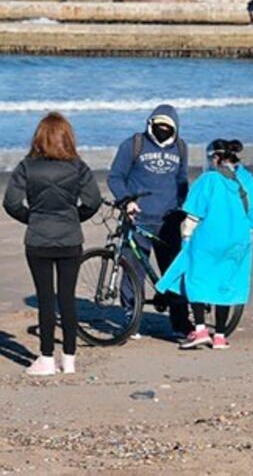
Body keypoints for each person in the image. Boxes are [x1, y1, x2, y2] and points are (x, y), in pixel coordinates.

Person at [3, 113, 102, 376]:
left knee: (46, 299)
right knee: (67, 299)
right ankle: (69, 359)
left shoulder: (27, 166)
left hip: (38, 239)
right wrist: (73, 217)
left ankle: (46, 357)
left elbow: (11, 203)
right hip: (70, 238)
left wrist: (32, 218)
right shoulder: (78, 166)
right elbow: (93, 201)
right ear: (68, 137)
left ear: (39, 137)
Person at [157, 139, 253, 350]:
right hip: (239, 240)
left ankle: (200, 330)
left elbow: (194, 213)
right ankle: (220, 336)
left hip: (208, 239)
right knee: (226, 284)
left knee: (197, 280)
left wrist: (186, 235)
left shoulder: (209, 180)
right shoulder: (248, 180)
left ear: (215, 158)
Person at [108, 104, 192, 337]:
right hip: (137, 219)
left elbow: (182, 180)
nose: (162, 130)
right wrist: (126, 201)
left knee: (173, 272)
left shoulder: (181, 148)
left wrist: (183, 208)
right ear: (150, 124)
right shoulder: (133, 145)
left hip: (169, 221)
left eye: (168, 127)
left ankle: (180, 322)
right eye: (158, 126)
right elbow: (116, 177)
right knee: (133, 270)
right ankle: (131, 317)